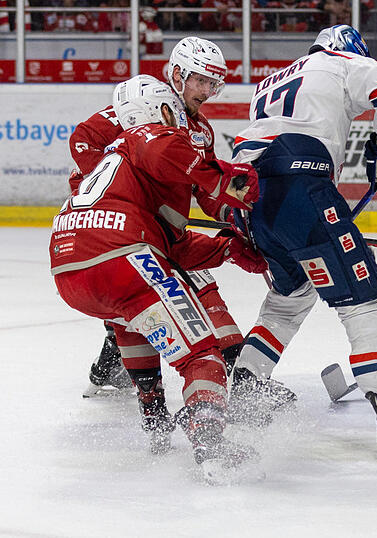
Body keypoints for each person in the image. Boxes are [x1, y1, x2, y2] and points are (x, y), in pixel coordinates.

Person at [230, 24, 377, 465]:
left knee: (288, 296)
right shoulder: (342, 62)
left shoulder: (271, 80)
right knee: (362, 299)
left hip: (251, 200)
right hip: (301, 191)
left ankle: (246, 390)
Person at [50, 75, 264, 482]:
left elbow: (174, 247)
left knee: (131, 319)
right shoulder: (151, 137)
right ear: (162, 110)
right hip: (120, 257)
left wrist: (228, 249)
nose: (181, 119)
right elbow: (196, 169)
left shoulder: (112, 165)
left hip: (69, 268)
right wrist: (241, 187)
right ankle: (210, 446)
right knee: (202, 355)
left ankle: (154, 418)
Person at [70, 38, 246, 430]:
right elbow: (82, 139)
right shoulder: (145, 102)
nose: (207, 92)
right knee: (153, 297)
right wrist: (127, 189)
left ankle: (231, 365)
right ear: (178, 74)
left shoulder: (200, 129)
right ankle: (123, 363)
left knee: (183, 286)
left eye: (214, 85)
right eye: (201, 81)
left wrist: (235, 218)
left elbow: (208, 192)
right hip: (128, 231)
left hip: (159, 232)